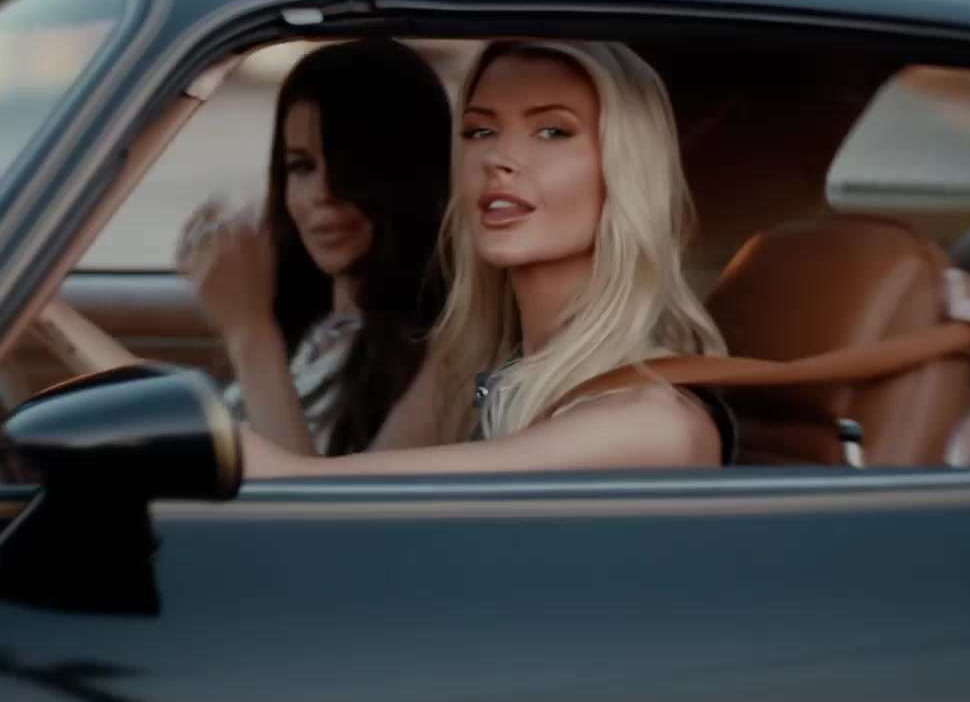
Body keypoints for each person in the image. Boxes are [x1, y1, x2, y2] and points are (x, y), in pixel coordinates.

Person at [239, 40, 735, 478]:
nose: (498, 158)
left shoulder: (653, 421)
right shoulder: (492, 374)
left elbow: (314, 495)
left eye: (552, 131)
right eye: (479, 131)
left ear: (625, 170)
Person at [178, 39, 452, 455]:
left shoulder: (448, 354)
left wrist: (249, 331)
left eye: (349, 166)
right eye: (301, 166)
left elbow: (309, 497)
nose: (322, 193)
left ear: (412, 174)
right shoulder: (315, 331)